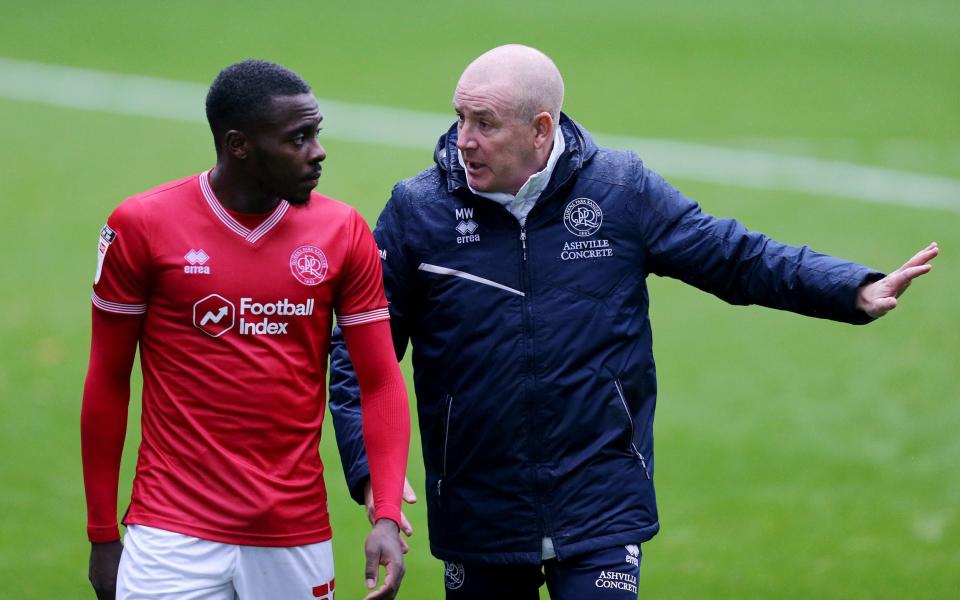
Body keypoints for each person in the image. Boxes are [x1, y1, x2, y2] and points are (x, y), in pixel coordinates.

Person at [328, 45, 938, 599]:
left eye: (484, 123)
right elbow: (358, 355)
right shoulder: (419, 212)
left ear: (542, 130)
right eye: (460, 117)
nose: (463, 139)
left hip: (600, 498)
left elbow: (732, 255)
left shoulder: (619, 191)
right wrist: (370, 475)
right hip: (478, 508)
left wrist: (849, 288)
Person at [80, 60, 410, 600]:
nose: (318, 150)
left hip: (294, 533)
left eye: (317, 132)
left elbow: (378, 381)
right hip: (170, 531)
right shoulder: (141, 226)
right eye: (298, 138)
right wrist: (101, 534)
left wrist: (388, 516)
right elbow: (108, 380)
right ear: (238, 145)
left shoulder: (342, 231)